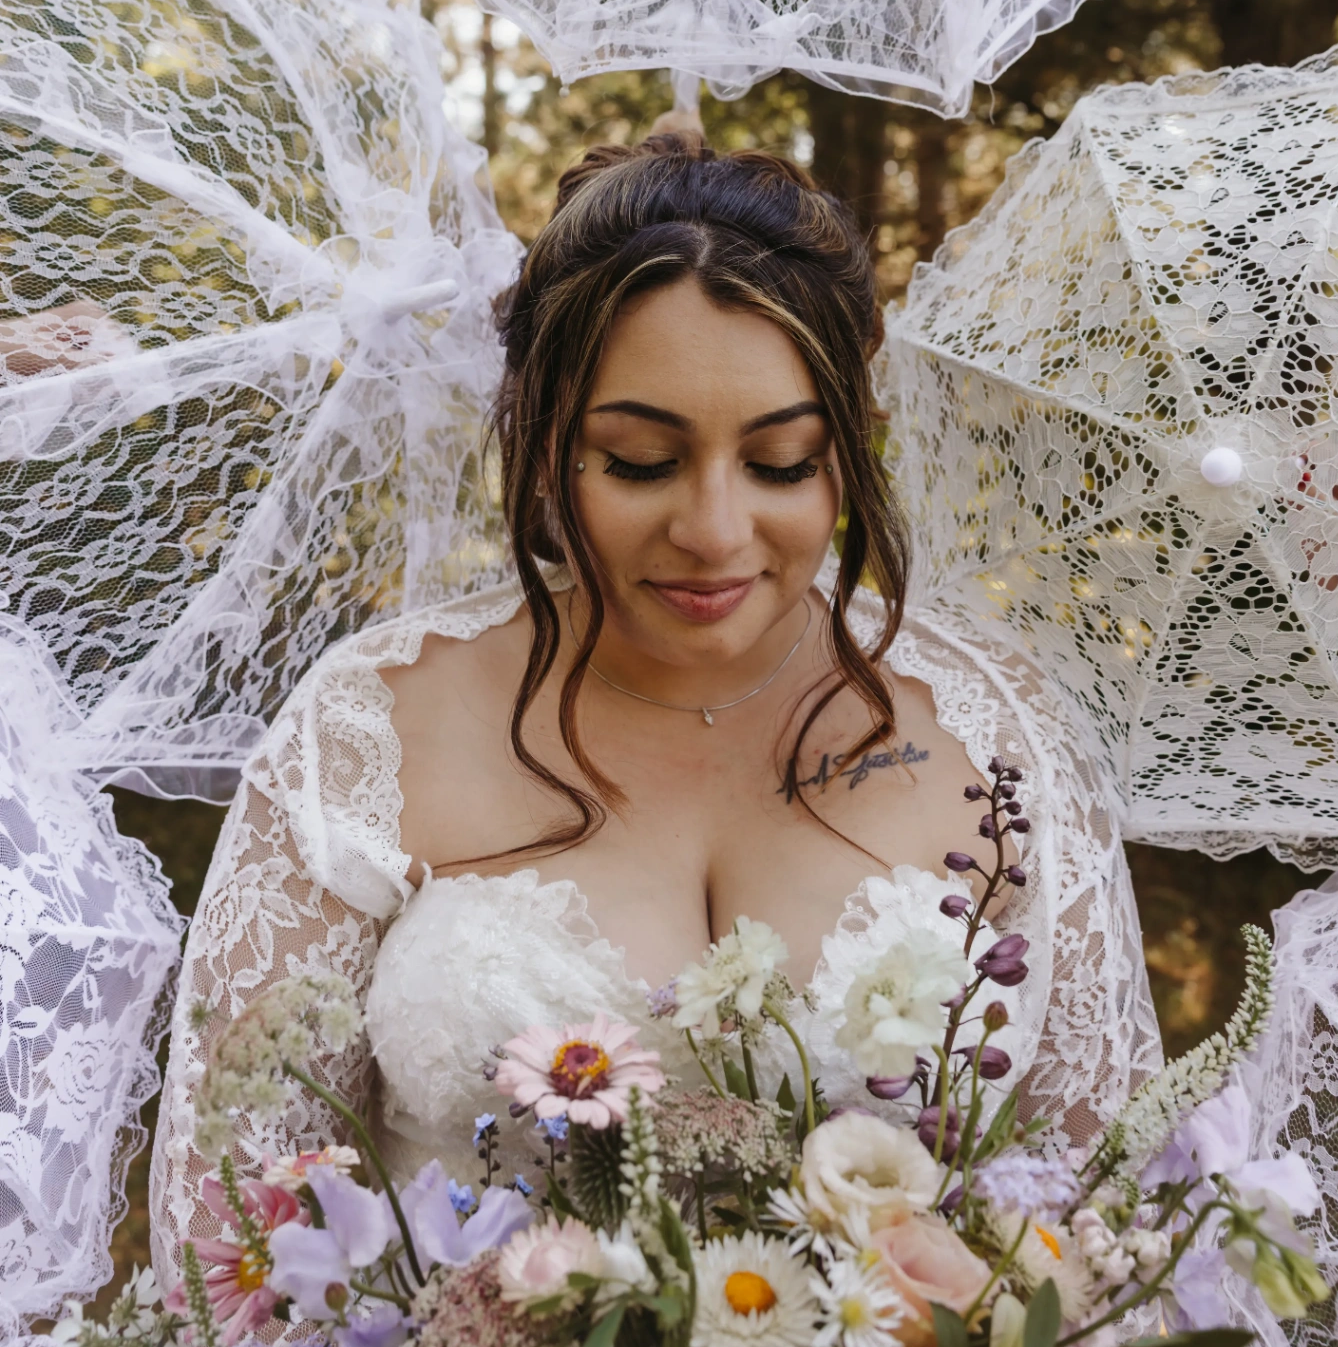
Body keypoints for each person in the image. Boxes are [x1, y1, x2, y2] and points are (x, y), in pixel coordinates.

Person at [150, 132, 1159, 1283]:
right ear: (541, 445)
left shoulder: (995, 735)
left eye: (781, 462)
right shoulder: (366, 732)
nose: (714, 532)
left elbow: (1101, 1229)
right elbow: (233, 1230)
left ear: (849, 453)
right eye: (637, 461)